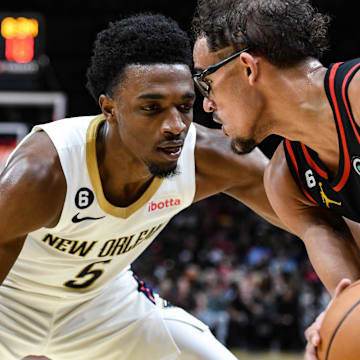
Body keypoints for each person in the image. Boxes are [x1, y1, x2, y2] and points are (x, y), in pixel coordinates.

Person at [0, 13, 286, 359]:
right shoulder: (45, 171)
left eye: (184, 106)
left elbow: (311, 219)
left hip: (105, 307)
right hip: (10, 310)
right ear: (110, 108)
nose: (175, 125)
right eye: (151, 107)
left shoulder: (207, 158)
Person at [192, 0, 360, 358]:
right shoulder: (287, 181)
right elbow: (351, 295)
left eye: (205, 82)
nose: (206, 105)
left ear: (247, 68)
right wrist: (335, 328)